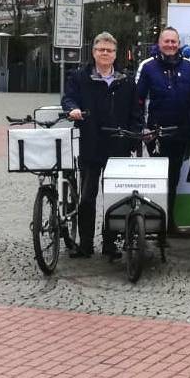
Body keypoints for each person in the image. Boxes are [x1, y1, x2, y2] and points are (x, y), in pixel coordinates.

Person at [62, 33, 142, 258]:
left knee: (116, 198)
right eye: (101, 50)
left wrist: (135, 134)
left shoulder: (126, 80)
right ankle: (86, 243)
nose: (105, 53)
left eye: (109, 50)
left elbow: (135, 112)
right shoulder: (80, 77)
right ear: (94, 52)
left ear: (115, 54)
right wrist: (72, 109)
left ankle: (110, 242)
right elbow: (68, 99)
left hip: (118, 146)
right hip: (91, 143)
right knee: (87, 197)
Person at [136, 27, 190, 237]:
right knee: (157, 179)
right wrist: (142, 127)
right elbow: (138, 100)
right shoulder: (147, 66)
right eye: (167, 41)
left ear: (179, 43)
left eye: (174, 41)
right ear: (159, 42)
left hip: (181, 133)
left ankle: (169, 223)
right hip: (156, 134)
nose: (170, 45)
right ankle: (154, 223)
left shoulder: (189, 68)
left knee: (173, 179)